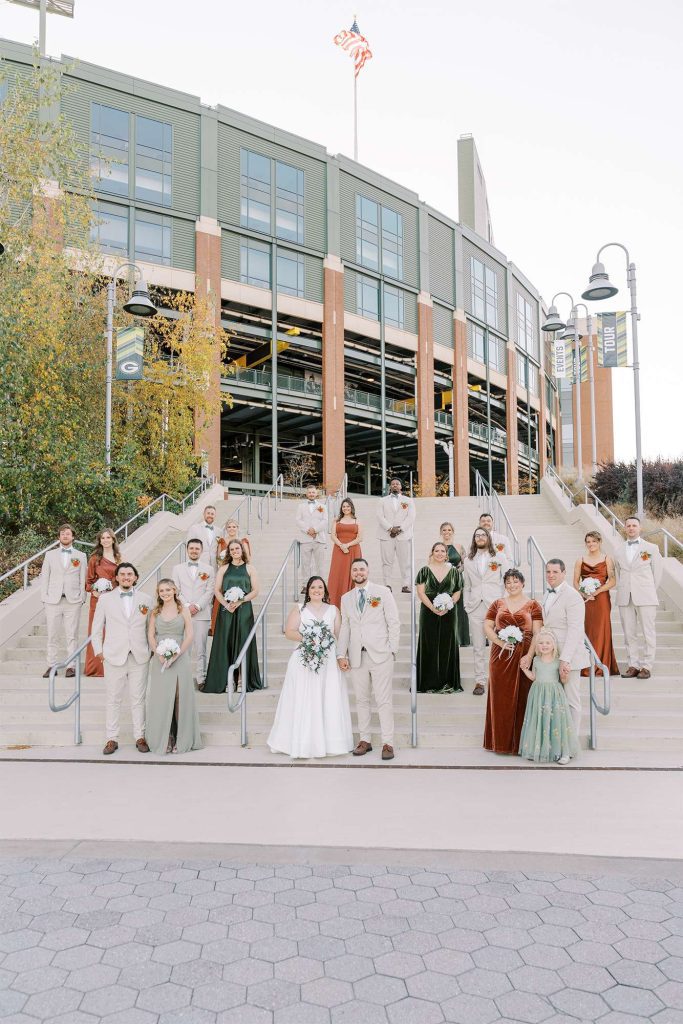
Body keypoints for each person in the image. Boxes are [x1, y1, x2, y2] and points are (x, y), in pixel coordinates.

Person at [267, 576, 354, 758]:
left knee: (327, 697)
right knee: (304, 698)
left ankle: (330, 743)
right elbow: (289, 632)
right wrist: (310, 638)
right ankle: (303, 742)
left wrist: (342, 655)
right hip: (303, 660)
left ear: (325, 591)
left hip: (328, 661)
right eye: (313, 587)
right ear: (307, 590)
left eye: (320, 587)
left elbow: (339, 634)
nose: (316, 590)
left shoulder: (333, 610)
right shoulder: (300, 609)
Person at [337, 558, 400, 760]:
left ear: (368, 571)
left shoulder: (382, 592)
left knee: (383, 700)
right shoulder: (346, 598)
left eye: (362, 569)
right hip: (357, 656)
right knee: (361, 700)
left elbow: (393, 621)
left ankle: (388, 742)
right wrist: (341, 653)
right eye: (355, 570)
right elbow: (345, 627)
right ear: (351, 573)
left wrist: (392, 649)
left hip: (381, 654)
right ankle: (365, 740)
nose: (358, 572)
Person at [91, 562, 153, 756]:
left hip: (139, 655)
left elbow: (150, 628)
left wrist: (150, 649)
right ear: (116, 578)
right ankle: (111, 738)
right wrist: (99, 652)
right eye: (123, 574)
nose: (126, 577)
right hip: (113, 655)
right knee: (113, 699)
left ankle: (139, 736)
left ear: (135, 577)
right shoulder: (105, 599)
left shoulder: (146, 599)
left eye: (130, 574)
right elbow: (96, 628)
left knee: (138, 698)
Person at [521, 558, 588, 736]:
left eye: (555, 572)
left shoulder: (573, 596)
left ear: (564, 573)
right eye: (548, 572)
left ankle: (571, 744)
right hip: (548, 654)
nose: (550, 575)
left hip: (568, 656)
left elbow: (575, 630)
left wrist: (565, 659)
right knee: (554, 702)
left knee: (571, 700)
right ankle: (555, 741)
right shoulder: (546, 594)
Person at [483, 568, 543, 754]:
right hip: (500, 657)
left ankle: (520, 744)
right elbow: (487, 626)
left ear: (523, 583)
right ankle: (499, 742)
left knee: (523, 697)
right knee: (500, 698)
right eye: (508, 582)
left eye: (515, 581)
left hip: (524, 654)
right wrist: (500, 642)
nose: (512, 585)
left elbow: (537, 633)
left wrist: (530, 656)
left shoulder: (533, 605)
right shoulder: (497, 603)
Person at [146, 578, 202, 755]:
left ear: (175, 591)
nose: (165, 593)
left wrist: (177, 654)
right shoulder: (155, 611)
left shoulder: (183, 609)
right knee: (163, 697)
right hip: (160, 659)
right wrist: (159, 654)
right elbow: (151, 635)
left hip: (180, 657)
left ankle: (181, 736)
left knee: (179, 696)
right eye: (161, 591)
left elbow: (190, 635)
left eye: (168, 590)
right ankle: (166, 737)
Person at [201, 540, 262, 693]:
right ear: (229, 552)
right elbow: (217, 590)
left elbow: (255, 591)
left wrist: (241, 601)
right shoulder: (223, 568)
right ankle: (228, 681)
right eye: (232, 549)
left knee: (242, 642)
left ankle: (241, 678)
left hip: (244, 610)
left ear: (242, 550)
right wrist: (226, 604)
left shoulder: (250, 568)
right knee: (226, 643)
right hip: (226, 610)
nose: (235, 551)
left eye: (237, 548)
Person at [519, 628, 579, 765]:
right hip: (538, 694)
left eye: (547, 643)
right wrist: (524, 670)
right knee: (539, 720)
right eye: (541, 643)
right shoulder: (536, 660)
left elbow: (563, 681)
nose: (544, 645)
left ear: (553, 645)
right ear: (537, 646)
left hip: (554, 695)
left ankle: (560, 751)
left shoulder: (558, 661)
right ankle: (538, 750)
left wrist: (566, 674)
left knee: (555, 721)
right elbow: (534, 677)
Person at [614, 516, 664, 680]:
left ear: (640, 528)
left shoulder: (651, 548)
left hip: (645, 596)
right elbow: (619, 573)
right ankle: (633, 665)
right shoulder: (618, 549)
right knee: (629, 634)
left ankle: (647, 666)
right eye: (628, 525)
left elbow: (657, 574)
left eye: (634, 525)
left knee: (648, 632)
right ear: (625, 528)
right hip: (625, 597)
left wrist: (648, 590)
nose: (631, 528)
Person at [462, 528, 510, 695]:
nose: (480, 538)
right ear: (474, 539)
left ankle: (498, 680)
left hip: (495, 606)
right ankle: (480, 681)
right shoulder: (468, 560)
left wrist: (504, 603)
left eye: (483, 535)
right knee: (478, 647)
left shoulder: (499, 557)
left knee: (498, 645)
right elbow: (466, 585)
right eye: (477, 535)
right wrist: (467, 606)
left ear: (488, 537)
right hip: (475, 606)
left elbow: (508, 580)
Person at [40, 524, 87, 678]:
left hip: (73, 601)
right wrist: (44, 597)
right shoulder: (50, 555)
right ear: (59, 537)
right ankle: (51, 666)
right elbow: (45, 577)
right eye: (62, 534)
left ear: (73, 536)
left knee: (71, 635)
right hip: (53, 601)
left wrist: (82, 598)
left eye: (68, 534)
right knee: (52, 635)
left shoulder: (80, 556)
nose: (65, 536)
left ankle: (71, 666)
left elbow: (82, 578)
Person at [415, 542, 463, 693]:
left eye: (443, 551)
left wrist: (449, 604)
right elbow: (421, 592)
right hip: (428, 612)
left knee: (447, 644)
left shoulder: (454, 571)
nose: (440, 553)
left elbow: (457, 592)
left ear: (446, 554)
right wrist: (433, 608)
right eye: (437, 550)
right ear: (432, 552)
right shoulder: (424, 570)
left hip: (449, 612)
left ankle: (447, 681)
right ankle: (428, 682)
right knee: (429, 644)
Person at [573, 530, 619, 678]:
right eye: (588, 542)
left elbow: (612, 581)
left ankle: (601, 664)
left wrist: (597, 592)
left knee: (601, 629)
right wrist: (585, 593)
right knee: (587, 629)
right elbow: (575, 582)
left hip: (601, 599)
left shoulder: (607, 559)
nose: (591, 544)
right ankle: (586, 665)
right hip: (585, 600)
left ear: (599, 542)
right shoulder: (580, 560)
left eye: (594, 541)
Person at [172, 539, 215, 688]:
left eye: (197, 548)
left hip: (201, 614)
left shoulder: (209, 569)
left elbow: (210, 591)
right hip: (183, 614)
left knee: (201, 648)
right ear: (187, 550)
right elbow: (175, 590)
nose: (194, 551)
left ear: (201, 551)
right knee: (184, 648)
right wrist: (186, 606)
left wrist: (197, 606)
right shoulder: (177, 569)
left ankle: (201, 679)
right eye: (192, 548)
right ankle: (183, 678)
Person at [84, 528, 122, 677]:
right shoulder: (94, 558)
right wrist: (94, 590)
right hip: (98, 600)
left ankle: (113, 666)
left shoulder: (119, 558)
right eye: (103, 538)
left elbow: (122, 578)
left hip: (114, 599)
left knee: (114, 631)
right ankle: (96, 668)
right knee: (97, 630)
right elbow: (88, 582)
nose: (105, 540)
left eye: (108, 537)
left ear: (113, 540)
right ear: (99, 541)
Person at [377, 478, 416, 593]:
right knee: (387, 562)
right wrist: (390, 528)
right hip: (386, 534)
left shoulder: (408, 500)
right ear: (390, 486)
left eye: (397, 484)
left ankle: (406, 585)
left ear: (401, 486)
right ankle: (387, 584)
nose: (395, 485)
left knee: (405, 562)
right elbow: (380, 516)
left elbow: (411, 517)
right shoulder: (382, 500)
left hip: (403, 535)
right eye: (392, 484)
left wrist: (400, 529)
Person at [328, 498, 363, 609]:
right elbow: (333, 536)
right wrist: (341, 545)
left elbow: (360, 538)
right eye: (344, 506)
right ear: (341, 508)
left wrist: (347, 545)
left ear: (351, 507)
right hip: (339, 550)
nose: (346, 508)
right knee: (338, 573)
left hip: (353, 550)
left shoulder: (357, 521)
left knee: (353, 573)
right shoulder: (337, 521)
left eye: (348, 506)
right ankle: (335, 602)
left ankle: (353, 603)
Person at [439, 522, 470, 646]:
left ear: (453, 531)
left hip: (457, 580)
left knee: (459, 608)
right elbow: (432, 563)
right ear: (441, 532)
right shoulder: (438, 547)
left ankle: (460, 638)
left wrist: (456, 571)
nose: (447, 532)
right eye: (444, 530)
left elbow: (465, 563)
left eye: (449, 530)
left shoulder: (459, 547)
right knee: (444, 605)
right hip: (442, 580)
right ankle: (446, 638)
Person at [295, 485, 328, 592]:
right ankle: (306, 585)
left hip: (319, 539)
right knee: (305, 564)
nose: (311, 494)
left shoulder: (322, 506)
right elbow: (298, 521)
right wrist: (308, 530)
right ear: (306, 493)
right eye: (309, 492)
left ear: (316, 493)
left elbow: (325, 521)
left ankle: (321, 584)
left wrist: (315, 530)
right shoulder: (301, 506)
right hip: (305, 539)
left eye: (313, 492)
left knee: (320, 564)